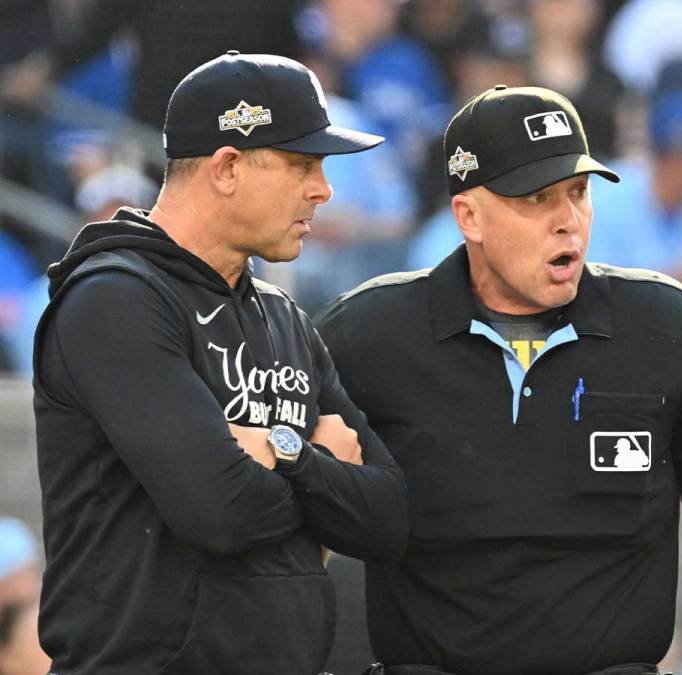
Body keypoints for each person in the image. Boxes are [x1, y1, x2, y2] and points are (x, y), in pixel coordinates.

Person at [317, 85, 682, 675]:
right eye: (537, 198)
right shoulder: (363, 336)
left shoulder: (679, 332)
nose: (567, 220)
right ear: (468, 215)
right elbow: (301, 515)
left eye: (578, 192)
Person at [32, 51, 408, 675]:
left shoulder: (283, 317)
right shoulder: (116, 297)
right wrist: (321, 469)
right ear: (228, 167)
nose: (324, 189)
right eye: (302, 164)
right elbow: (221, 513)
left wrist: (283, 450)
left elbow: (385, 519)